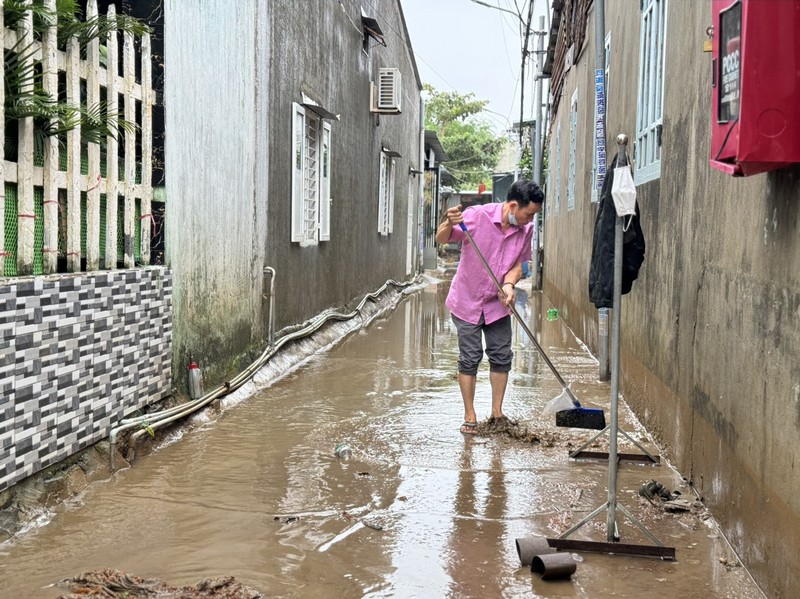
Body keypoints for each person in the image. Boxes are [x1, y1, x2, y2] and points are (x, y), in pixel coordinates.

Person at [435, 180, 544, 435]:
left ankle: (497, 413)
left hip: (497, 303)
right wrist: (448, 223)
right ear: (514, 205)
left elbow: (520, 264)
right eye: (528, 214)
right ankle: (470, 415)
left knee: (501, 355)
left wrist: (509, 284)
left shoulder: (525, 230)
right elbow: (442, 239)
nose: (529, 221)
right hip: (467, 300)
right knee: (470, 358)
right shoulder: (476, 217)